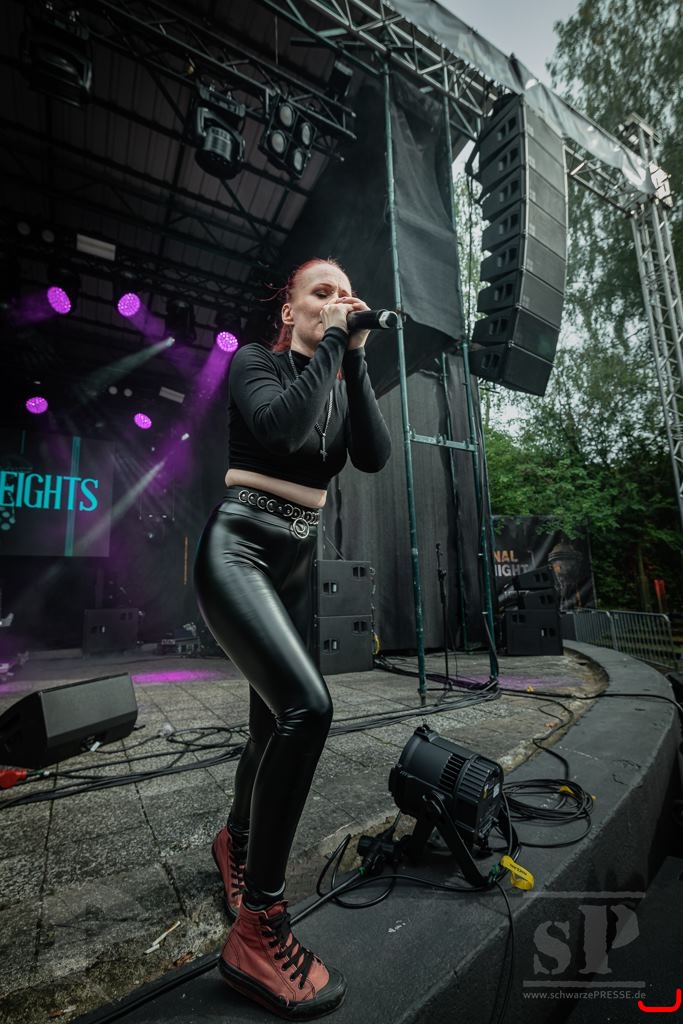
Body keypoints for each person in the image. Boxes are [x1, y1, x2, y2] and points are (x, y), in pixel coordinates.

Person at [193, 257, 392, 1018]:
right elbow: (279, 425)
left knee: (270, 726)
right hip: (239, 548)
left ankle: (236, 841)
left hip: (296, 565)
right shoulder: (255, 363)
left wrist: (355, 357)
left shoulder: (338, 379)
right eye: (321, 293)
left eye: (344, 294)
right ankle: (258, 926)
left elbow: (371, 455)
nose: (336, 302)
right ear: (290, 310)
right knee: (310, 709)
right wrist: (333, 343)